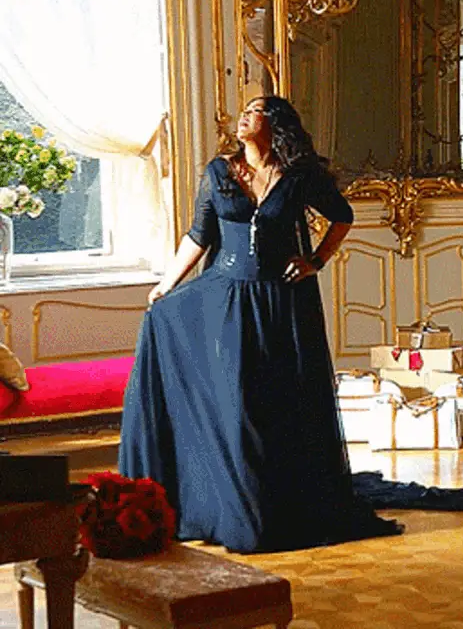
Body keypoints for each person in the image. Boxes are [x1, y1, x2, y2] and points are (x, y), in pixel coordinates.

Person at [118, 95, 402, 553]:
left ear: (276, 124)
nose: (244, 117)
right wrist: (166, 285)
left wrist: (315, 261)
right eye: (245, 111)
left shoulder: (299, 175)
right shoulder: (219, 172)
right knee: (238, 403)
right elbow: (199, 234)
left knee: (274, 403)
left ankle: (275, 503)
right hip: (225, 300)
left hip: (279, 303)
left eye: (256, 111)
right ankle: (232, 506)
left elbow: (342, 217)